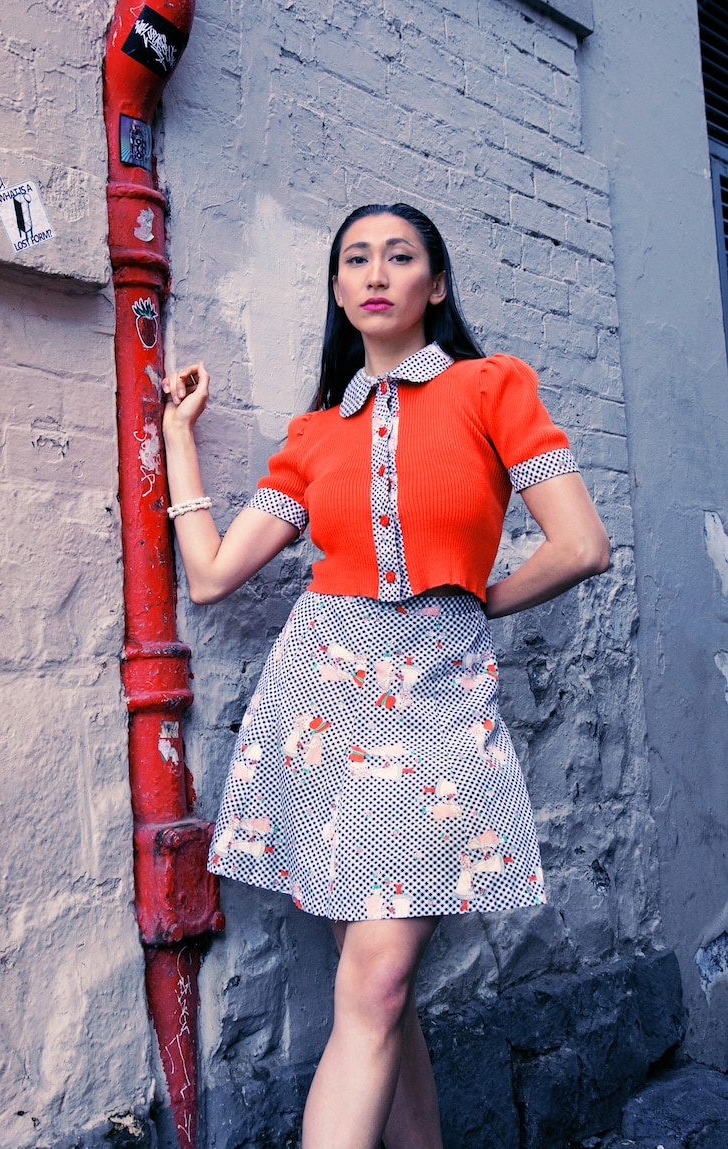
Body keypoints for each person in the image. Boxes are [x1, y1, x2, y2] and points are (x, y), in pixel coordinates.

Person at [161, 203, 610, 1149]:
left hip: (438, 699)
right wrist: (178, 435)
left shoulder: (493, 388)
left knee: (376, 982)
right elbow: (211, 575)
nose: (375, 272)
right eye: (355, 259)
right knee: (382, 992)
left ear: (433, 285)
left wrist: (476, 601)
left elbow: (579, 545)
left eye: (399, 257)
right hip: (319, 703)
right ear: (337, 290)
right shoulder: (317, 433)